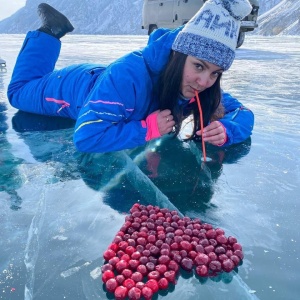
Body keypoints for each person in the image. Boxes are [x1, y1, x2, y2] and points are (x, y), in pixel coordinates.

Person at [7, 0, 254, 153]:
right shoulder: (129, 76)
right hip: (72, 89)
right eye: (199, 66)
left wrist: (228, 129)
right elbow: (87, 137)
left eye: (215, 73)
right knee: (18, 93)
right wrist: (146, 130)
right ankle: (50, 31)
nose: (204, 82)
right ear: (179, 56)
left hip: (104, 83)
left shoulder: (200, 85)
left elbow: (243, 112)